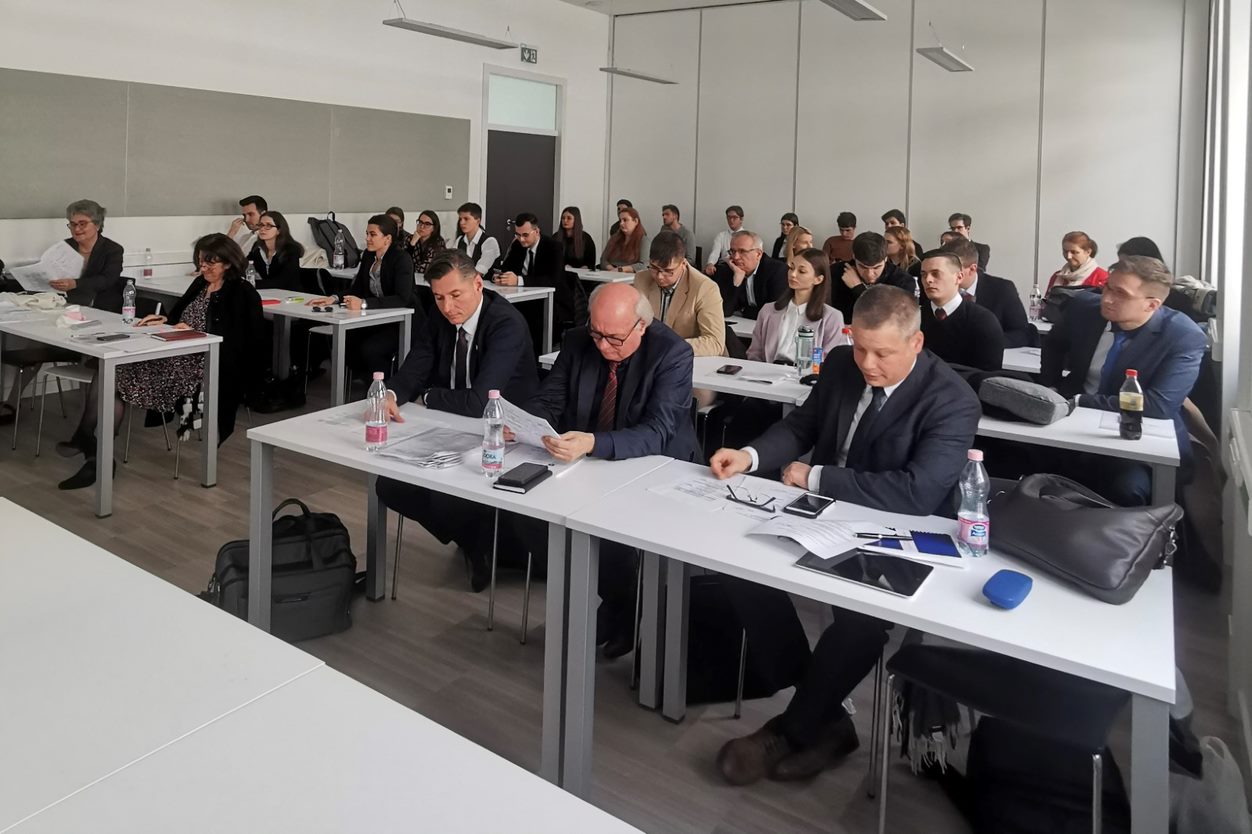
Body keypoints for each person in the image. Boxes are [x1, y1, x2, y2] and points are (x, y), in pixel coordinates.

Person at [709, 285, 981, 785]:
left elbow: (918, 493)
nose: (868, 364)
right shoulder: (840, 364)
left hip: (898, 530)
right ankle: (829, 718)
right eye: (861, 348)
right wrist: (749, 456)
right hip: (824, 514)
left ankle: (792, 729)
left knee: (860, 622)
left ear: (916, 343)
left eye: (883, 354)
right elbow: (802, 427)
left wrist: (815, 477)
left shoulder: (951, 399)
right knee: (741, 573)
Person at [517, 282, 698, 656]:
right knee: (529, 514)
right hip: (589, 461)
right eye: (596, 334)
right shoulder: (578, 340)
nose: (602, 346)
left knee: (614, 528)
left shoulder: (673, 353)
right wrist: (527, 423)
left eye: (613, 338)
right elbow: (550, 398)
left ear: (641, 326)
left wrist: (592, 443)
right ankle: (618, 598)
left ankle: (625, 606)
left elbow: (658, 431)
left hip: (656, 465)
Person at [373, 252, 539, 590]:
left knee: (448, 495)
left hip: (505, 435)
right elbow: (417, 363)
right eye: (438, 297)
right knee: (389, 485)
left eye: (455, 295)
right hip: (452, 424)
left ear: (477, 284)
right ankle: (477, 541)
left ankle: (486, 546)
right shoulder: (440, 314)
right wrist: (391, 394)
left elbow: (480, 401)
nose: (447, 307)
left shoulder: (506, 324)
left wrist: (428, 397)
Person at [57, 234, 265, 490]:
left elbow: (246, 342)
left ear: (229, 263)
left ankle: (90, 445)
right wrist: (164, 321)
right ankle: (94, 449)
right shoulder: (201, 283)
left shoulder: (243, 293)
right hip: (173, 354)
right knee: (109, 370)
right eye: (201, 262)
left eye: (210, 263)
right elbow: (178, 317)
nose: (203, 268)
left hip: (203, 365)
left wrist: (196, 332)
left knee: (115, 375)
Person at [1040, 255, 1205, 505]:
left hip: (1137, 436)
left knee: (1126, 488)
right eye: (1107, 287)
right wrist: (1050, 385)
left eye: (1120, 294)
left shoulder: (1182, 335)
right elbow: (1053, 344)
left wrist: (1079, 400)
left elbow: (1158, 405)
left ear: (1152, 304)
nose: (1106, 298)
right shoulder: (1084, 308)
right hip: (1068, 422)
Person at [1, 199, 125, 425]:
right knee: (34, 345)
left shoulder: (112, 250)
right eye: (72, 224)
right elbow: (50, 274)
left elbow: (107, 279)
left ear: (97, 224)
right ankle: (11, 402)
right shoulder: (64, 247)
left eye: (82, 223)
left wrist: (76, 283)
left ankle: (91, 417)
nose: (76, 229)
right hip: (63, 309)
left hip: (99, 314)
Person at [309, 214, 416, 377]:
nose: (367, 238)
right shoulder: (368, 255)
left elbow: (403, 298)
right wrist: (334, 298)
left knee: (371, 348)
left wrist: (364, 303)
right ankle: (359, 381)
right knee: (345, 340)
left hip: (401, 322)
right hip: (376, 318)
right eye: (367, 234)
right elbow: (358, 288)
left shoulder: (402, 259)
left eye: (372, 234)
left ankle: (381, 386)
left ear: (387, 238)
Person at [632, 231, 726, 357]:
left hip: (689, 359)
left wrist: (668, 347)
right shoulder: (641, 279)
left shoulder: (705, 288)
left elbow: (715, 342)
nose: (659, 276)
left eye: (668, 271)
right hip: (649, 357)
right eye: (654, 268)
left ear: (683, 264)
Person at [747, 248, 846, 365]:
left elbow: (832, 360)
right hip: (769, 371)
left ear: (818, 279)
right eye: (791, 268)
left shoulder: (832, 317)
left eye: (802, 271)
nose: (793, 274)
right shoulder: (768, 310)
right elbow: (755, 353)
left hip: (808, 374)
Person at [918, 249, 1005, 371]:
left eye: (936, 274)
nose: (928, 280)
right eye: (923, 275)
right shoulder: (913, 318)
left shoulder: (983, 321)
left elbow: (988, 377)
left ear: (959, 277)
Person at [498, 212, 578, 343]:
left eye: (525, 235)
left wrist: (519, 280)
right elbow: (506, 268)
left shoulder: (553, 246)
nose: (521, 239)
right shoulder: (517, 245)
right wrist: (502, 277)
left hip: (551, 301)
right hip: (524, 298)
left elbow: (553, 280)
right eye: (517, 235)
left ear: (536, 232)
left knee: (530, 316)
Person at [941, 237, 1033, 348]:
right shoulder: (937, 288)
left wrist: (984, 344)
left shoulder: (1002, 289)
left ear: (972, 269)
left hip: (991, 353)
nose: (944, 275)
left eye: (952, 270)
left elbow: (1022, 333)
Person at [829, 232, 917, 322]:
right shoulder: (835, 272)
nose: (870, 274)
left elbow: (895, 318)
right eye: (863, 267)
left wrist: (858, 288)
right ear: (854, 257)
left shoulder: (903, 281)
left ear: (885, 258)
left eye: (876, 267)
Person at [712, 230, 789, 319]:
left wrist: (743, 311)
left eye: (742, 251)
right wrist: (737, 281)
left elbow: (774, 312)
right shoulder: (728, 269)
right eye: (732, 251)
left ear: (758, 254)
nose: (736, 257)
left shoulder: (777, 271)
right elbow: (724, 310)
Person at [248, 210, 304, 291]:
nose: (262, 229)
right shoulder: (257, 247)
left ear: (279, 230)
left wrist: (251, 284)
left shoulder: (291, 249)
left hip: (291, 294)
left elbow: (282, 282)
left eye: (268, 225)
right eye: (261, 225)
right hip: (268, 293)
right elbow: (243, 266)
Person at [452, 202, 501, 278]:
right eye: (460, 219)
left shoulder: (490, 242)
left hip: (486, 284)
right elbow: (452, 264)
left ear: (478, 221)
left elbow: (480, 270)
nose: (461, 222)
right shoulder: (459, 240)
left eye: (466, 219)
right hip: (464, 282)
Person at [600, 207, 648, 273]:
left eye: (625, 220)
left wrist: (621, 269)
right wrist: (612, 270)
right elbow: (603, 260)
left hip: (630, 276)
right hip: (611, 274)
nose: (621, 223)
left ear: (636, 221)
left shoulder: (643, 240)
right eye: (620, 220)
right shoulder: (614, 238)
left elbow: (644, 265)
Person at [704, 205, 745, 275]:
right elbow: (715, 253)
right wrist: (710, 263)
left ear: (741, 219)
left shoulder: (747, 236)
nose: (731, 220)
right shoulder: (721, 236)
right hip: (725, 267)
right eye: (729, 217)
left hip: (741, 267)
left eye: (734, 217)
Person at [555, 206, 597, 270]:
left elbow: (591, 262)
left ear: (576, 220)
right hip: (561, 272)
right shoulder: (556, 237)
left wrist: (585, 267)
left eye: (569, 218)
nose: (565, 220)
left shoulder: (586, 239)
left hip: (581, 273)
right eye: (563, 218)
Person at [406, 209, 447, 274]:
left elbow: (427, 269)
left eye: (427, 224)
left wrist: (407, 269)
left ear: (434, 228)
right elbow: (402, 262)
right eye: (420, 222)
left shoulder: (439, 243)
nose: (422, 226)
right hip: (410, 277)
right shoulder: (409, 238)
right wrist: (412, 244)